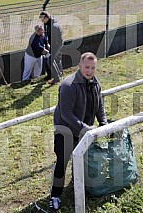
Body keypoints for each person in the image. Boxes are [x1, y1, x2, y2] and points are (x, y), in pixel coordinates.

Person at [49, 52, 107, 211]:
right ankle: (54, 195)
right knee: (62, 162)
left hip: (83, 131)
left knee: (81, 159)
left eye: (93, 68)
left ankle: (78, 183)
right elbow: (66, 113)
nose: (89, 71)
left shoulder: (96, 83)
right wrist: (86, 129)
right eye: (87, 67)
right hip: (65, 130)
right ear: (79, 66)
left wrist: (104, 123)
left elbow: (99, 106)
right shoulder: (68, 85)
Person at [39, 11, 63, 85]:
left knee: (50, 61)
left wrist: (50, 49)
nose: (42, 21)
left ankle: (56, 78)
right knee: (53, 60)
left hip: (55, 45)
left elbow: (54, 40)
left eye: (42, 19)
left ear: (46, 17)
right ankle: (58, 74)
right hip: (56, 44)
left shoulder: (53, 26)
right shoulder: (51, 23)